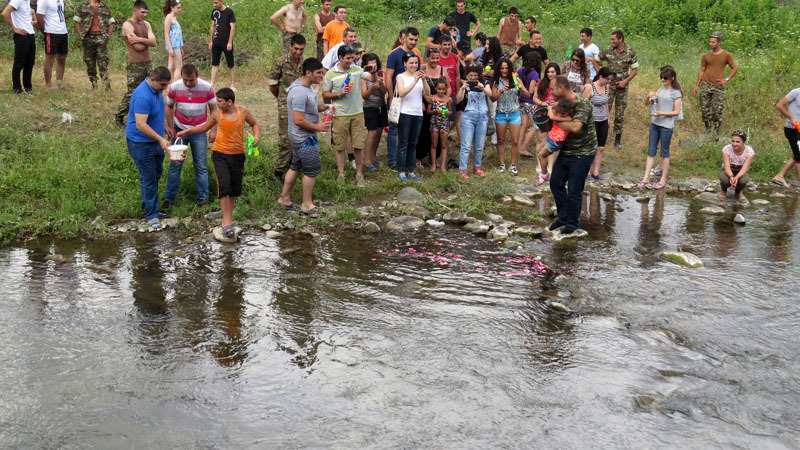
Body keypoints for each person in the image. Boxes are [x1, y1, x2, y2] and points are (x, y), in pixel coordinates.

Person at [178, 87, 260, 238]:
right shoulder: (217, 114)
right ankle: (226, 222)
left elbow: (254, 124)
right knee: (224, 186)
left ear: (229, 102)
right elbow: (204, 127)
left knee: (234, 189)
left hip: (238, 155)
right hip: (220, 154)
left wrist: (257, 137)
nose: (217, 104)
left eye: (220, 101)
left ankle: (229, 218)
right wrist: (187, 132)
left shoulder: (243, 112)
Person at [278, 58, 332, 215]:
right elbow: (298, 119)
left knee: (295, 167)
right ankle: (307, 204)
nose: (321, 76)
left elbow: (310, 108)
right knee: (311, 171)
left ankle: (284, 199)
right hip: (303, 138)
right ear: (308, 73)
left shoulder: (306, 88)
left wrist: (325, 107)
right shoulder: (299, 92)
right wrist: (318, 127)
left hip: (301, 136)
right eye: (318, 73)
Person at [546, 75, 597, 235]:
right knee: (555, 183)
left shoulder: (582, 103)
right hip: (567, 150)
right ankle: (563, 217)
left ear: (561, 88)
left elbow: (575, 127)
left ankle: (573, 223)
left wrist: (554, 118)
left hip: (583, 152)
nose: (551, 92)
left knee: (575, 189)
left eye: (553, 89)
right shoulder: (562, 103)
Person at [163, 63, 217, 208]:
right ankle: (169, 199)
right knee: (175, 165)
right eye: (185, 80)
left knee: (201, 166)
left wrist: (213, 130)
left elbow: (214, 109)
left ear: (197, 76)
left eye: (191, 80)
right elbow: (169, 106)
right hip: (179, 130)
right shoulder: (175, 87)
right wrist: (170, 127)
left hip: (199, 130)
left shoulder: (207, 88)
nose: (188, 83)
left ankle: (203, 200)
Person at [125, 66, 172, 229]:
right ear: (153, 80)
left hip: (155, 141)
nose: (164, 88)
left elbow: (156, 112)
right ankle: (152, 215)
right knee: (148, 177)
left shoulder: (156, 90)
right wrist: (160, 139)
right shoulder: (142, 95)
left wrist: (164, 126)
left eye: (166, 85)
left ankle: (149, 207)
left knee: (155, 174)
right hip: (141, 143)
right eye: (162, 85)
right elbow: (141, 124)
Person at [322, 45, 367, 186]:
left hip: (357, 112)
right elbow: (325, 94)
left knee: (359, 144)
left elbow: (369, 77)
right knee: (340, 145)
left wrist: (373, 73)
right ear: (340, 58)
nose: (350, 61)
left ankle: (359, 173)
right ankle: (341, 174)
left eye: (352, 58)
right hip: (340, 114)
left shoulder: (356, 69)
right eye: (347, 58)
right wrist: (338, 93)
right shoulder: (330, 74)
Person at [637, 65, 683, 190]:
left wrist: (662, 113)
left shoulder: (676, 93)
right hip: (655, 123)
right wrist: (649, 97)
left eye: (665, 78)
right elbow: (648, 104)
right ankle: (646, 177)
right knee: (651, 150)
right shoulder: (661, 89)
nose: (663, 80)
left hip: (666, 125)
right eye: (661, 77)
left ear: (672, 78)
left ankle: (663, 178)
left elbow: (676, 112)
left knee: (665, 152)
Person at [114, 0, 155, 129]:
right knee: (133, 92)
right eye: (142, 12)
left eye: (146, 12)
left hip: (147, 61)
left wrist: (140, 39)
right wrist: (147, 42)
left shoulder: (146, 24)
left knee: (151, 88)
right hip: (135, 63)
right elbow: (137, 47)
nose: (144, 15)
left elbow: (154, 42)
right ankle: (119, 115)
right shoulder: (128, 25)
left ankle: (146, 116)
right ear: (135, 11)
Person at [269, 33, 305, 182]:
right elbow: (272, 85)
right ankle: (279, 171)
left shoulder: (304, 63)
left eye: (301, 49)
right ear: (290, 46)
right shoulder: (280, 63)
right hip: (285, 105)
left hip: (300, 105)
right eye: (296, 49)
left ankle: (294, 167)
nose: (298, 52)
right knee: (285, 140)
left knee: (299, 136)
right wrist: (282, 99)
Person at [385, 27, 420, 170]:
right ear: (404, 38)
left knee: (407, 132)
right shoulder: (394, 54)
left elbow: (418, 74)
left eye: (416, 40)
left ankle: (406, 161)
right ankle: (393, 160)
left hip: (412, 99)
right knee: (394, 129)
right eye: (411, 39)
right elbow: (388, 77)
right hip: (397, 97)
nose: (413, 42)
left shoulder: (416, 54)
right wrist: (391, 96)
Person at [597, 29, 638, 148]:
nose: (612, 41)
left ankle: (617, 139)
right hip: (608, 86)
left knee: (620, 113)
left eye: (613, 39)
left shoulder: (630, 52)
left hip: (622, 88)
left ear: (621, 39)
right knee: (604, 110)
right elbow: (596, 59)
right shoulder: (608, 50)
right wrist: (600, 73)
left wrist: (625, 81)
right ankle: (601, 137)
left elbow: (635, 70)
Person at [693, 31, 737, 134]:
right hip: (705, 83)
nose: (711, 44)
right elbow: (702, 70)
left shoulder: (726, 55)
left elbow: (734, 68)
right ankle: (707, 128)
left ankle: (717, 129)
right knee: (705, 108)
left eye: (713, 42)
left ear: (719, 42)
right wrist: (697, 85)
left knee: (717, 109)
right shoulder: (706, 56)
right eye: (710, 42)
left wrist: (726, 79)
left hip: (717, 85)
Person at [491, 57, 530, 175]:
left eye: (506, 68)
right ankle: (502, 164)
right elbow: (493, 98)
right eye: (502, 68)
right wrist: (501, 90)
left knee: (515, 140)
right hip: (501, 113)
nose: (504, 70)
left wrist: (521, 87)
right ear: (499, 69)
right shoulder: (496, 81)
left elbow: (528, 95)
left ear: (510, 68)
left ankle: (513, 165)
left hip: (514, 112)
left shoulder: (515, 79)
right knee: (500, 140)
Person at [395, 52, 429, 182]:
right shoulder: (401, 77)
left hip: (418, 113)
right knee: (403, 143)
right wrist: (414, 81)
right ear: (405, 63)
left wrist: (423, 80)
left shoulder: (420, 77)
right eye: (411, 63)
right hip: (405, 113)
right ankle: (401, 171)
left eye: (416, 63)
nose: (414, 65)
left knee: (413, 143)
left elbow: (427, 93)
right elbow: (402, 93)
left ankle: (411, 171)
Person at [416, 47, 451, 170]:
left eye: (437, 58)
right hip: (425, 105)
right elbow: (417, 86)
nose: (435, 60)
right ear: (427, 58)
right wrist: (424, 98)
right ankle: (419, 157)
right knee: (423, 131)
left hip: (440, 106)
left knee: (438, 133)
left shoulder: (442, 70)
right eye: (433, 58)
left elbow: (448, 87)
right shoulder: (422, 69)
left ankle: (434, 158)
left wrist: (446, 98)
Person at [456, 64, 491, 179]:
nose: (473, 78)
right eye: (470, 75)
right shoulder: (465, 85)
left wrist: (483, 88)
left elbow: (490, 94)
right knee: (466, 145)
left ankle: (477, 167)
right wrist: (462, 88)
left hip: (482, 117)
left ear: (479, 75)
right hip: (468, 117)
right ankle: (462, 170)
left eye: (475, 75)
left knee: (480, 145)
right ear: (467, 75)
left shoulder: (485, 83)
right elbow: (458, 99)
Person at [73, 0, 115, 90]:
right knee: (90, 63)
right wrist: (81, 35)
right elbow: (76, 21)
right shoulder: (82, 6)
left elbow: (111, 22)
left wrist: (107, 36)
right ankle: (94, 85)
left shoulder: (105, 7)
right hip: (88, 38)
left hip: (101, 37)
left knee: (103, 63)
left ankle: (107, 87)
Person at [534, 62, 560, 185]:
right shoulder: (541, 83)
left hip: (555, 114)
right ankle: (540, 164)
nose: (550, 74)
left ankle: (550, 166)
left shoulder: (560, 84)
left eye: (552, 72)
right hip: (542, 114)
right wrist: (543, 103)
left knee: (552, 140)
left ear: (557, 72)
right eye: (548, 72)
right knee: (541, 139)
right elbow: (535, 98)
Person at [3, 0, 37, 95]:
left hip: (30, 34)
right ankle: (17, 89)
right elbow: (5, 13)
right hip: (22, 36)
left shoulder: (27, 2)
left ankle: (28, 87)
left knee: (29, 63)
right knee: (19, 63)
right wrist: (14, 28)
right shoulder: (17, 0)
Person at [360, 53, 386, 171]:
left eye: (375, 64)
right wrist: (371, 89)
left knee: (379, 131)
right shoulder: (364, 76)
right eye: (370, 65)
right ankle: (366, 160)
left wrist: (381, 83)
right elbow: (364, 95)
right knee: (372, 132)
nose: (373, 66)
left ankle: (373, 156)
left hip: (381, 105)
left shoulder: (381, 73)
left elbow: (384, 91)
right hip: (370, 107)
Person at [771, 86, 800, 188]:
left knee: (797, 154)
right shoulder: (796, 92)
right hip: (792, 128)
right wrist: (790, 117)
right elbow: (779, 105)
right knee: (799, 156)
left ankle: (780, 176)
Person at [587, 66, 613, 181]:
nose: (609, 81)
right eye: (608, 79)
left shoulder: (607, 87)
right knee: (590, 147)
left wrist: (608, 118)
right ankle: (586, 171)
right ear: (601, 77)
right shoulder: (590, 87)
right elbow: (583, 104)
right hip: (592, 120)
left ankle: (596, 172)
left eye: (610, 79)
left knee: (600, 147)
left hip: (603, 120)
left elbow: (606, 103)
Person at [36, 0, 68, 89]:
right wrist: (45, 31)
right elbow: (39, 18)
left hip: (63, 31)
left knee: (62, 58)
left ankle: (59, 83)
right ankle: (48, 84)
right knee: (50, 58)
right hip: (51, 31)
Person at [517, 51, 541, 159]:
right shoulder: (534, 74)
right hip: (531, 102)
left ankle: (519, 147)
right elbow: (531, 91)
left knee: (524, 125)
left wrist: (519, 85)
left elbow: (514, 75)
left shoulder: (521, 70)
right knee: (535, 126)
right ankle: (524, 147)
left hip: (521, 100)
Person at [719, 130, 754, 203]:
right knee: (724, 179)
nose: (734, 144)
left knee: (744, 180)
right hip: (729, 169)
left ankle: (738, 192)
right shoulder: (726, 149)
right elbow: (727, 166)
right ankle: (723, 191)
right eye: (733, 141)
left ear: (744, 142)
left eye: (737, 142)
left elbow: (745, 169)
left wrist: (736, 178)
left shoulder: (750, 152)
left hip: (741, 171)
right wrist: (731, 176)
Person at [427, 79, 453, 173]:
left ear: (446, 89)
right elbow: (428, 111)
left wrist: (447, 113)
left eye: (443, 89)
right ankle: (433, 164)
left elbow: (451, 111)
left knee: (444, 145)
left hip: (444, 123)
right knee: (434, 144)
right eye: (439, 89)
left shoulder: (448, 99)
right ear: (435, 88)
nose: (441, 91)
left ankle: (443, 166)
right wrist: (435, 112)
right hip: (434, 123)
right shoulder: (433, 98)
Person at [209, 0, 235, 90]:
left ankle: (232, 84)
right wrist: (211, 41)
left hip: (226, 42)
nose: (214, 4)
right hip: (216, 41)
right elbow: (213, 26)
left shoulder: (229, 12)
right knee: (214, 63)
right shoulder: (214, 11)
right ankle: (212, 84)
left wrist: (230, 42)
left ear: (221, 1)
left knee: (230, 63)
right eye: (213, 3)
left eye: (216, 2)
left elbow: (232, 27)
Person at [162, 0, 183, 81]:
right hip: (173, 45)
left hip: (176, 45)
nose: (180, 9)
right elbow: (166, 33)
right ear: (172, 7)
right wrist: (170, 48)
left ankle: (168, 83)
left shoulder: (174, 17)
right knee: (179, 67)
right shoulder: (169, 17)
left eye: (180, 8)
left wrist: (181, 47)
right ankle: (175, 84)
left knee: (171, 66)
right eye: (178, 8)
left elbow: (178, 34)